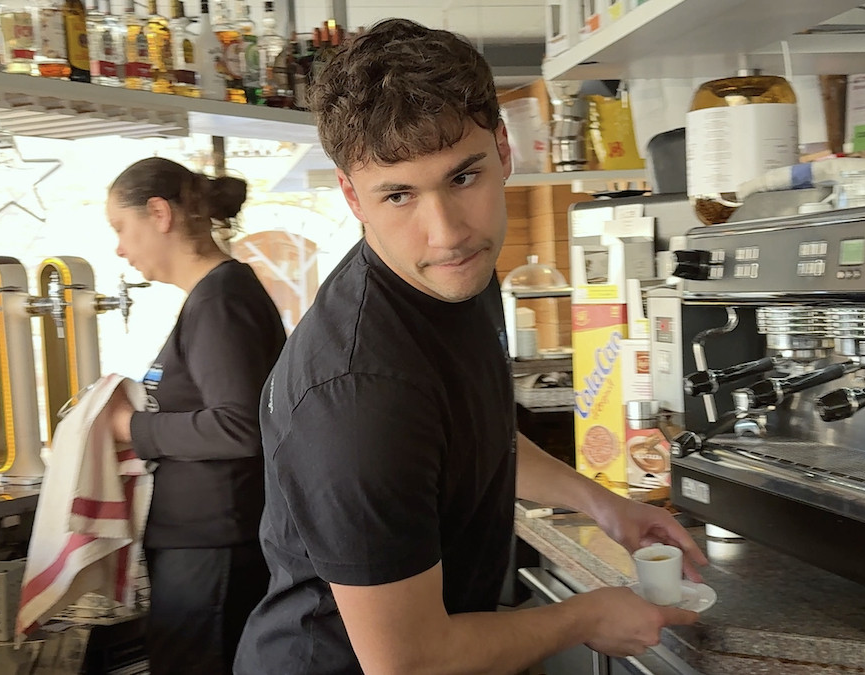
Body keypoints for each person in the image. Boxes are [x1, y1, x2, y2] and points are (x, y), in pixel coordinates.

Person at [234, 18, 708, 675]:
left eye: (463, 178)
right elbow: (407, 662)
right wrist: (585, 615)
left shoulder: (461, 278)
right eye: (399, 195)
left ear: (503, 148)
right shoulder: (357, 395)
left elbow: (482, 438)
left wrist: (602, 502)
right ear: (352, 197)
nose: (446, 233)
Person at [103, 157, 287, 675]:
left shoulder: (221, 302)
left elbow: (239, 425)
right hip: (206, 544)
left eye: (122, 228)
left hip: (215, 549)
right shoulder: (212, 298)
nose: (119, 247)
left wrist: (129, 428)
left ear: (159, 213)